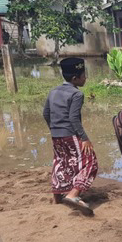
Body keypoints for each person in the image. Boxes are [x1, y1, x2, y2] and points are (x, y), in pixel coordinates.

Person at [43, 58, 98, 215]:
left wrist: (54, 128)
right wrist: (85, 138)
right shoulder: (76, 94)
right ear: (75, 78)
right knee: (90, 162)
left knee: (61, 162)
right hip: (70, 134)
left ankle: (57, 197)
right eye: (83, 75)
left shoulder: (53, 91)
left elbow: (46, 113)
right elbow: (73, 118)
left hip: (56, 134)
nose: (85, 78)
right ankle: (73, 195)